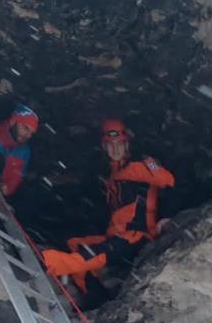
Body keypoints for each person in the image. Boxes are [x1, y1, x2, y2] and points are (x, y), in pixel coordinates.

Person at [60, 117, 175, 308]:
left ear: (126, 143)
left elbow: (169, 182)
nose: (115, 149)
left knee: (85, 259)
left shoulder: (140, 165)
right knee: (74, 244)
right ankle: (94, 296)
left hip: (136, 236)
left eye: (119, 144)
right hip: (117, 236)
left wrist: (166, 219)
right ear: (104, 147)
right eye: (110, 145)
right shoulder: (112, 174)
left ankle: (94, 304)